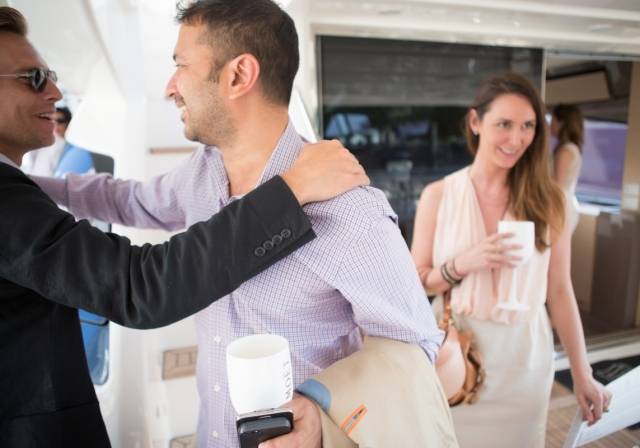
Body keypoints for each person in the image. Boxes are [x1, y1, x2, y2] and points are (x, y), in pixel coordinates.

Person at [33, 1, 449, 447]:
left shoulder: (349, 210)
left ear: (238, 76)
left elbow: (415, 347)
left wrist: (320, 411)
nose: (171, 87)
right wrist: (22, 185)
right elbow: (129, 200)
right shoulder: (201, 174)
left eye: (181, 65)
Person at [410, 72, 612, 447]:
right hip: (456, 354)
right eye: (504, 124)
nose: (516, 139)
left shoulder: (551, 201)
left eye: (528, 126)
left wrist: (582, 373)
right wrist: (463, 263)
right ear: (476, 122)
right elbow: (416, 283)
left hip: (526, 362)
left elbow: (560, 291)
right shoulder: (438, 195)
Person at [550, 104, 584, 233]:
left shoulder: (566, 151)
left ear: (561, 123)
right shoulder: (570, 148)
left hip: (560, 206)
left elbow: (557, 186)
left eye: (553, 120)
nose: (550, 125)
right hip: (564, 204)